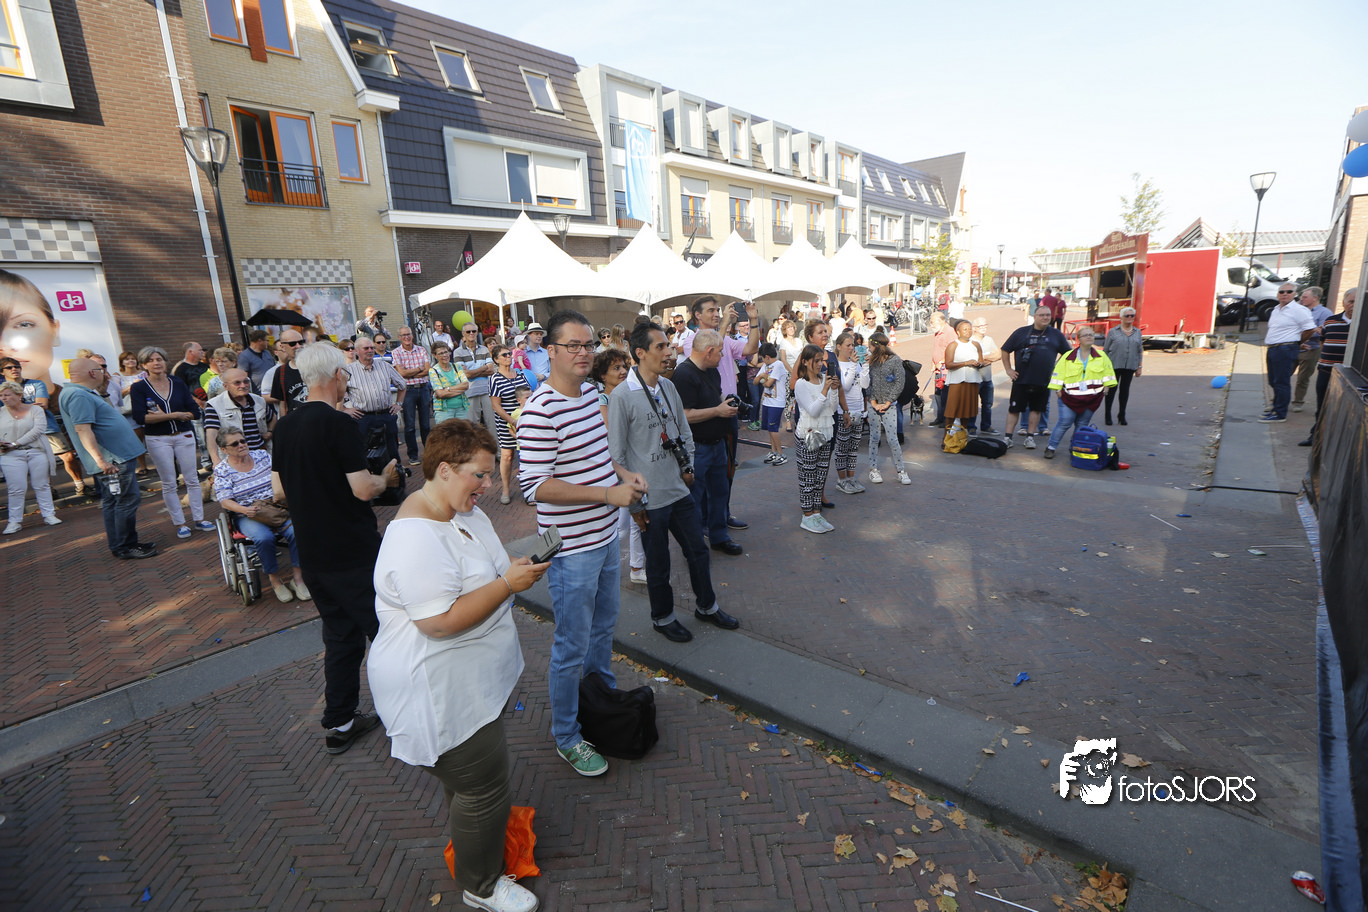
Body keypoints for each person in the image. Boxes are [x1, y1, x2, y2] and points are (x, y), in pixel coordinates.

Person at [368, 420, 544, 912]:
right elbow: (439, 623)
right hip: (438, 691)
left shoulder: (459, 510)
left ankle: (476, 849)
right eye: (479, 475)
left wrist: (512, 573)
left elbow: (487, 570)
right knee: (483, 787)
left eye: (489, 474)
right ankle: (481, 885)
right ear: (444, 470)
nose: (487, 485)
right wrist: (507, 585)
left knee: (469, 786)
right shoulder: (416, 539)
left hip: (468, 682)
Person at [517, 310, 646, 778]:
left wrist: (623, 474)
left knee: (602, 629)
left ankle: (599, 701)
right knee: (571, 644)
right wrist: (607, 495)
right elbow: (535, 486)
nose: (583, 352)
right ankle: (567, 735)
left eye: (588, 344)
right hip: (571, 550)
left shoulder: (592, 394)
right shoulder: (539, 410)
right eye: (572, 345)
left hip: (605, 537)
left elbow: (600, 456)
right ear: (549, 351)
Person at [271, 342, 400, 755]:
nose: (346, 379)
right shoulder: (338, 423)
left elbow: (278, 491)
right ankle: (406, 710)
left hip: (312, 552)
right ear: (333, 376)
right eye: (344, 373)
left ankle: (340, 722)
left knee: (341, 637)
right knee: (388, 632)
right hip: (352, 549)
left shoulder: (285, 426)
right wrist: (386, 480)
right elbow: (363, 489)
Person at [609, 322, 741, 643]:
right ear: (640, 353)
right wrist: (635, 504)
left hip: (679, 491)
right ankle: (663, 617)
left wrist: (688, 466)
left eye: (668, 346)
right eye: (661, 347)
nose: (669, 352)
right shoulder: (622, 396)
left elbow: (684, 432)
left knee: (698, 551)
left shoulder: (668, 387)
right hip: (649, 498)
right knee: (658, 563)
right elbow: (616, 456)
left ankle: (707, 606)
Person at [60, 358, 154, 559]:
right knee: (126, 500)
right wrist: (101, 460)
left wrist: (102, 392)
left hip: (114, 458)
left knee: (114, 501)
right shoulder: (78, 395)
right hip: (113, 460)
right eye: (101, 368)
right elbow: (83, 429)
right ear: (92, 373)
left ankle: (122, 544)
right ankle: (125, 546)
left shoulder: (82, 393)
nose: (104, 372)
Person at [680, 297, 760, 531]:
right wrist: (725, 323)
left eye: (718, 310)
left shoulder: (725, 339)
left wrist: (754, 319)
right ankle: (704, 522)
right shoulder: (692, 341)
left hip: (729, 414)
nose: (716, 314)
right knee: (702, 475)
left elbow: (750, 349)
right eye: (711, 310)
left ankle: (721, 515)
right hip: (705, 415)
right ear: (697, 315)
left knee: (726, 470)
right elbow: (708, 351)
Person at [213, 425, 306, 603]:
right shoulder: (222, 470)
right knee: (264, 538)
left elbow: (282, 476)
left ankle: (298, 578)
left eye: (243, 441)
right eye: (235, 444)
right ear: (224, 450)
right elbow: (225, 501)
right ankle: (275, 580)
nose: (241, 445)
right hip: (248, 514)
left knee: (297, 532)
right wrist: (244, 510)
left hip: (275, 507)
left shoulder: (262, 456)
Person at [130, 346, 213, 539]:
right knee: (169, 482)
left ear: (165, 361)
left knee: (192, 479)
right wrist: (174, 415)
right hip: (158, 439)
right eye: (150, 360)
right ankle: (180, 523)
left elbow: (194, 411)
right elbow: (140, 417)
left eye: (159, 359)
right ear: (144, 365)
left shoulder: (177, 382)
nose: (156, 363)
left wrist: (173, 415)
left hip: (184, 435)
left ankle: (199, 519)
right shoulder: (139, 388)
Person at [672, 329, 742, 555]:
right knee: (694, 498)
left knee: (720, 493)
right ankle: (693, 546)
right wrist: (718, 411)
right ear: (709, 351)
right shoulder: (683, 375)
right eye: (720, 352)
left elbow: (717, 397)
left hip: (717, 444)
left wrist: (726, 404)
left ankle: (719, 536)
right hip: (697, 447)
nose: (723, 356)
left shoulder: (711, 371)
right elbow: (684, 415)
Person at [591, 347, 644, 584]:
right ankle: (605, 567)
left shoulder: (631, 393)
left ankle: (636, 568)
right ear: (603, 375)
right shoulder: (603, 399)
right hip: (616, 466)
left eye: (624, 366)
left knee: (633, 522)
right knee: (623, 523)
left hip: (633, 462)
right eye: (616, 368)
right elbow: (611, 431)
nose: (623, 371)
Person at [1000, 305, 1072, 449]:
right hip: (1021, 379)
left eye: (1048, 315)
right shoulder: (1021, 332)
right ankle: (1008, 438)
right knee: (1014, 409)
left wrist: (1057, 369)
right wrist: (1008, 369)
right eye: (1041, 315)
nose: (1045, 317)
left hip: (1043, 380)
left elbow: (1068, 353)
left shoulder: (1056, 334)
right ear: (1034, 316)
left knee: (1036, 409)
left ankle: (1030, 437)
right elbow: (1005, 350)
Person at [1043, 328, 1117, 459]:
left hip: (1092, 399)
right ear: (1079, 339)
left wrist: (1106, 388)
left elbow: (1108, 373)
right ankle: (1051, 447)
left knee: (1082, 425)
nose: (1089, 337)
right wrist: (1058, 390)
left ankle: (1075, 448)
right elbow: (1058, 374)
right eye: (1085, 335)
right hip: (1068, 397)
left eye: (1091, 335)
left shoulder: (1102, 356)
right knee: (1064, 423)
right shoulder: (1067, 356)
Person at [1, 379, 59, 532]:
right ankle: (14, 521)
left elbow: (38, 430)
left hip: (36, 451)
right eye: (1, 395)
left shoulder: (35, 410)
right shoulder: (0, 412)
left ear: (19, 395)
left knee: (42, 484)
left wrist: (16, 443)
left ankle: (49, 515)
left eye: (7, 395)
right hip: (10, 454)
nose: (3, 398)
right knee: (16, 488)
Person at [1301, 288, 1357, 446]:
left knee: (1347, 409)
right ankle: (1316, 437)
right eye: (1351, 301)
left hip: (1350, 377)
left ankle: (1340, 442)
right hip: (1326, 372)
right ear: (1343, 303)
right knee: (1322, 406)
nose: (1354, 305)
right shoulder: (1330, 321)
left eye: (1358, 302)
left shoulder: (1363, 322)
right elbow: (1323, 342)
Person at [341, 335, 406, 468]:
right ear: (357, 351)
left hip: (386, 415)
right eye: (366, 348)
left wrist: (398, 404)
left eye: (371, 347)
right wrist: (345, 409)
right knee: (364, 453)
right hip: (363, 418)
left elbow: (403, 385)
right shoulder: (348, 370)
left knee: (392, 451)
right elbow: (336, 392)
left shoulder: (385, 366)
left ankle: (396, 474)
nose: (370, 350)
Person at [793, 344, 839, 533]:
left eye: (822, 360)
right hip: (808, 435)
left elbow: (833, 408)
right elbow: (812, 410)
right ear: (805, 362)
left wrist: (834, 390)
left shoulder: (823, 380)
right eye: (816, 361)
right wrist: (825, 390)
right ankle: (807, 516)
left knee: (820, 478)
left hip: (826, 434)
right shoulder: (801, 384)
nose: (821, 364)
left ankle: (816, 513)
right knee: (808, 477)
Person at [1261, 283, 1316, 422]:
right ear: (1277, 294)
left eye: (1289, 291)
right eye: (1282, 292)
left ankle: (1280, 414)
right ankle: (1275, 408)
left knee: (1281, 382)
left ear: (1294, 294)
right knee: (1273, 380)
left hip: (1285, 349)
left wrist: (1297, 342)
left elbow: (1310, 329)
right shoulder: (1276, 309)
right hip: (1273, 348)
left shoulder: (1299, 310)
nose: (1285, 294)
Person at [864, 332, 909, 485]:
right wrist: (873, 402)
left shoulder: (894, 360)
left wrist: (889, 402)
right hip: (874, 404)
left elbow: (899, 383)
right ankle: (873, 469)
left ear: (876, 347)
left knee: (892, 439)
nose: (868, 349)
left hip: (889, 406)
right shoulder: (870, 362)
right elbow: (868, 384)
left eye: (870, 346)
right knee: (874, 437)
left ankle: (901, 471)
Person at [204, 368, 274, 465]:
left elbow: (272, 417)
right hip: (233, 460)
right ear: (226, 386)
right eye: (237, 383)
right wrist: (215, 459)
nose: (243, 385)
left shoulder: (258, 401)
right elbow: (211, 435)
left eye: (246, 381)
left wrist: (270, 432)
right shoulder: (214, 405)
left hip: (260, 457)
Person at [488, 343, 530, 505]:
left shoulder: (519, 374)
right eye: (504, 355)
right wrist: (512, 421)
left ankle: (528, 488)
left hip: (524, 420)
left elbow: (529, 393)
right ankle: (505, 489)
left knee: (526, 456)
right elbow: (496, 406)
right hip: (506, 422)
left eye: (509, 354)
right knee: (507, 456)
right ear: (496, 359)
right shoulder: (495, 379)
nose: (508, 357)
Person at [392, 326, 433, 467]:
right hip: (408, 391)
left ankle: (429, 454)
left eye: (408, 334)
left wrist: (412, 373)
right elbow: (402, 373)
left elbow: (428, 370)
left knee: (426, 425)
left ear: (412, 335)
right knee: (409, 426)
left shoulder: (421, 350)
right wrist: (420, 369)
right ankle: (413, 455)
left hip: (423, 388)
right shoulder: (396, 352)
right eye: (403, 335)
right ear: (399, 337)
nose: (406, 337)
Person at [831, 332, 867, 495]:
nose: (852, 348)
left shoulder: (856, 363)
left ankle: (851, 478)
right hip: (843, 412)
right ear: (839, 347)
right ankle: (842, 480)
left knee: (853, 448)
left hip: (858, 411)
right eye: (848, 345)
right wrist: (853, 365)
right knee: (842, 447)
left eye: (853, 345)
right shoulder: (837, 364)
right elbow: (844, 387)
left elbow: (864, 385)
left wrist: (865, 366)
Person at [1292, 286, 1333, 412]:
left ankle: (1298, 402)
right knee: (1283, 374)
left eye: (1305, 297)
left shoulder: (1325, 313)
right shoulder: (1298, 310)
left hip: (1311, 349)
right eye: (1301, 297)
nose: (1301, 299)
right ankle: (1277, 400)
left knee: (1303, 378)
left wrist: (1306, 333)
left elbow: (1323, 332)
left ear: (1315, 298)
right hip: (1293, 346)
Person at [941, 319, 984, 434]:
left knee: (967, 411)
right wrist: (966, 363)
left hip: (972, 380)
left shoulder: (976, 344)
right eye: (965, 329)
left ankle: (962, 436)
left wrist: (979, 364)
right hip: (957, 381)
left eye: (970, 329)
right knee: (952, 410)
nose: (968, 331)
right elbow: (948, 364)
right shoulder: (953, 345)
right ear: (958, 332)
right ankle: (947, 437)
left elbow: (981, 360)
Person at [1102, 307, 1142, 426]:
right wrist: (1104, 368)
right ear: (1121, 317)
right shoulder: (1113, 332)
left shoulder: (1137, 332)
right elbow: (1106, 350)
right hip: (1114, 365)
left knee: (1125, 390)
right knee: (1111, 390)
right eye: (1127, 315)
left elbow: (1139, 350)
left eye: (1132, 315)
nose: (1130, 317)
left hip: (1130, 365)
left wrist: (1139, 366)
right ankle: (1108, 414)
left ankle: (1122, 414)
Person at [454, 324, 498, 434]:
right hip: (470, 391)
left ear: (477, 332)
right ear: (463, 333)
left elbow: (491, 370)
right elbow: (465, 375)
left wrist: (471, 371)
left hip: (487, 390)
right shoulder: (458, 352)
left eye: (474, 331)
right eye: (468, 331)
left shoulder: (484, 349)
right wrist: (483, 367)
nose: (471, 333)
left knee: (493, 424)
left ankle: (495, 446)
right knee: (473, 427)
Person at [755, 343, 788, 465]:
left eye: (762, 358)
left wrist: (763, 379)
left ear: (767, 357)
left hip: (776, 402)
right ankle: (773, 451)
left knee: (773, 428)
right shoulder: (766, 365)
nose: (762, 361)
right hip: (767, 401)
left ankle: (781, 453)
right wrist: (762, 377)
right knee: (769, 428)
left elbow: (768, 384)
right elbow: (755, 381)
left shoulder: (778, 365)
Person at [971, 317, 1000, 435]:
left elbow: (998, 355)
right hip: (974, 379)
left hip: (987, 378)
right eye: (980, 326)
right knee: (973, 405)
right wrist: (989, 358)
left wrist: (983, 358)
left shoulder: (989, 340)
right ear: (974, 328)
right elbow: (972, 359)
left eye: (985, 325)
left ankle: (986, 426)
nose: (983, 328)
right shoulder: (970, 341)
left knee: (987, 404)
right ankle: (971, 427)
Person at [269, 330, 309, 415]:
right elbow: (283, 403)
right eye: (292, 344)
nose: (298, 346)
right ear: (282, 347)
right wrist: (284, 422)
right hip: (295, 420)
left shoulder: (317, 366)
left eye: (301, 342)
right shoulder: (281, 371)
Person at [926, 312, 955, 427]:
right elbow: (936, 349)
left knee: (945, 396)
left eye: (932, 322)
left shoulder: (950, 332)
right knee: (938, 394)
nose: (931, 324)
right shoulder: (937, 332)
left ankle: (946, 419)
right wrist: (933, 362)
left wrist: (942, 361)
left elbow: (952, 350)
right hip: (938, 370)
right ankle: (940, 417)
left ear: (941, 320)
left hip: (945, 370)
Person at [429, 341, 470, 422]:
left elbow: (466, 385)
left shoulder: (457, 367)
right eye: (441, 353)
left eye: (446, 352)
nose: (445, 355)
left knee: (464, 430)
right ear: (435, 355)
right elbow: (440, 394)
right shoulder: (433, 371)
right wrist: (460, 390)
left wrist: (447, 389)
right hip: (444, 411)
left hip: (462, 408)